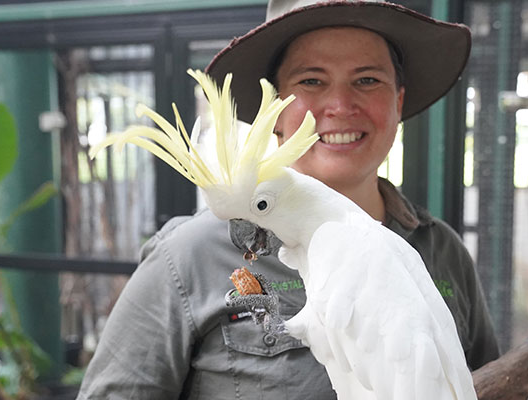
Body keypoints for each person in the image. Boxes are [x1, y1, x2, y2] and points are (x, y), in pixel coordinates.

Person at [77, 1, 499, 398]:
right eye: (311, 81)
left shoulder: (441, 250)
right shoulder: (188, 255)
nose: (339, 105)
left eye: (367, 79)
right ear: (276, 110)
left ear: (398, 100)